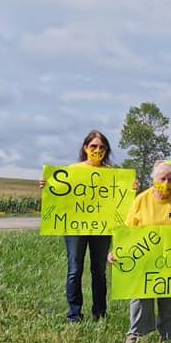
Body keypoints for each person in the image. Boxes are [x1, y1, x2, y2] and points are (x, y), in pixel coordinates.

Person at [111, 161, 171, 343]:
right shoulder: (141, 200)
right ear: (153, 180)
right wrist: (116, 252)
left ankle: (168, 335)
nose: (167, 182)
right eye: (163, 178)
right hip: (145, 257)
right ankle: (135, 334)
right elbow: (128, 231)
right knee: (140, 296)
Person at [48, 130, 116, 323]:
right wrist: (48, 185)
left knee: (99, 272)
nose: (97, 150)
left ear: (107, 150)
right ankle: (74, 314)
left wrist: (131, 188)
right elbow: (59, 194)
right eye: (93, 146)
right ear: (85, 148)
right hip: (75, 228)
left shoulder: (112, 173)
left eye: (102, 147)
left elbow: (119, 200)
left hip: (101, 228)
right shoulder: (73, 170)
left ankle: (100, 313)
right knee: (74, 270)